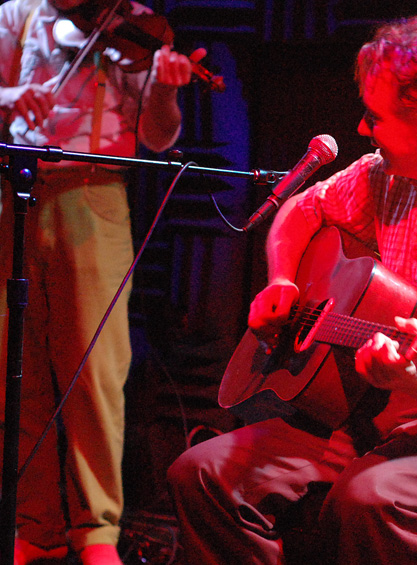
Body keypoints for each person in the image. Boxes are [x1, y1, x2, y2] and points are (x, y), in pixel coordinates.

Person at [167, 16, 417, 564]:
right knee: (201, 473)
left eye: (375, 117)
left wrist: (416, 376)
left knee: (368, 498)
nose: (362, 128)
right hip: (373, 406)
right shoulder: (382, 176)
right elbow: (303, 209)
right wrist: (284, 279)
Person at [0, 0, 200, 562]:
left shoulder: (138, 25)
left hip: (94, 191)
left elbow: (159, 138)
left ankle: (96, 531)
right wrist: (12, 99)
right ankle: (32, 525)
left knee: (93, 371)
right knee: (17, 369)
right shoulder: (16, 15)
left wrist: (164, 90)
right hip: (14, 190)